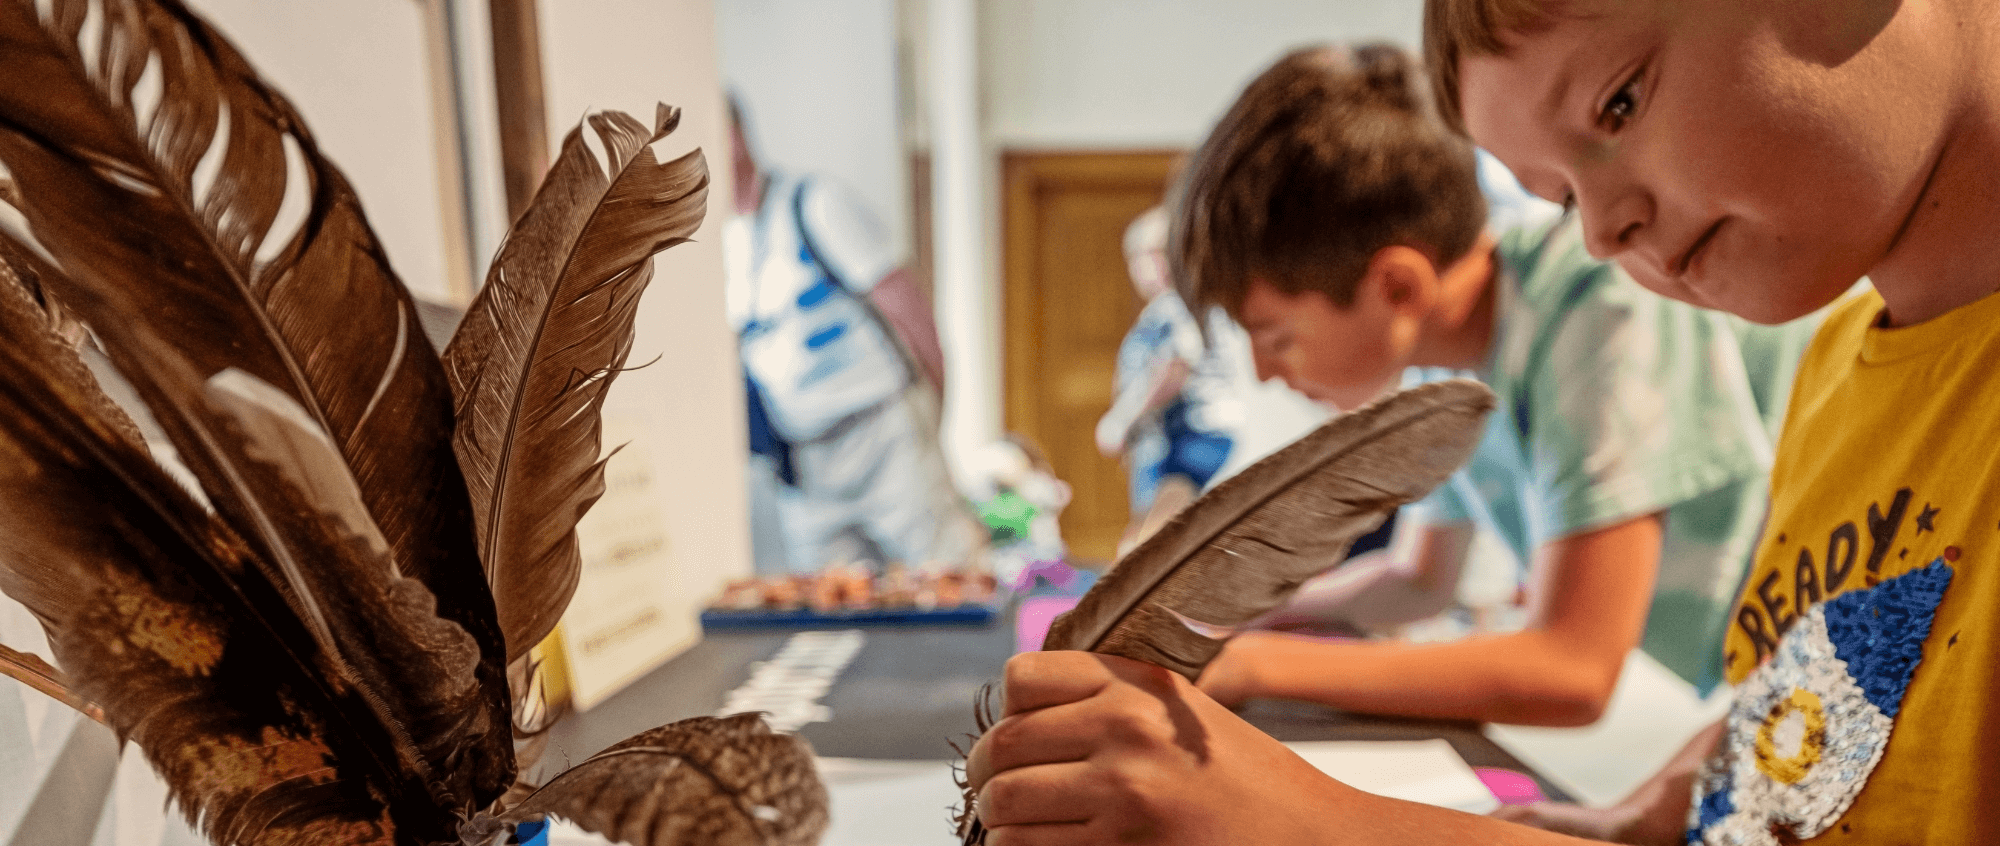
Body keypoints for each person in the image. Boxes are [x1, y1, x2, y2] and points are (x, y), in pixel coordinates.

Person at [965, 0, 2000, 842]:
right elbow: (1800, 680)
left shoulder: (1600, 314)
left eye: (1619, 101)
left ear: (1394, 285)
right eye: (1557, 196)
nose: (1602, 233)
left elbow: (1569, 664)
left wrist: (1286, 766)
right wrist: (1654, 810)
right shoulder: (1836, 359)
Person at [1185, 42, 1813, 727]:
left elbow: (1572, 668)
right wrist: (1243, 617)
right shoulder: (1438, 361)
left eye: (1277, 337)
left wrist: (1251, 665)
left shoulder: (1596, 300)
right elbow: (1419, 580)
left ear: (1397, 287)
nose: (1264, 371)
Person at [722, 97, 976, 573]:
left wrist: (932, 413)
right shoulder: (720, 244)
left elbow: (909, 308)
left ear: (738, 133)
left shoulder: (814, 203)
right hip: (805, 461)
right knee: (830, 595)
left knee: (943, 572)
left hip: (880, 429)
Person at [1096, 206, 1247, 559]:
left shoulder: (1175, 306)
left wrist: (1121, 421)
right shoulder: (1191, 305)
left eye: (1162, 253)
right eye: (1144, 255)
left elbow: (1175, 368)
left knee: (1151, 551)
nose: (1153, 265)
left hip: (1187, 440)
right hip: (1195, 441)